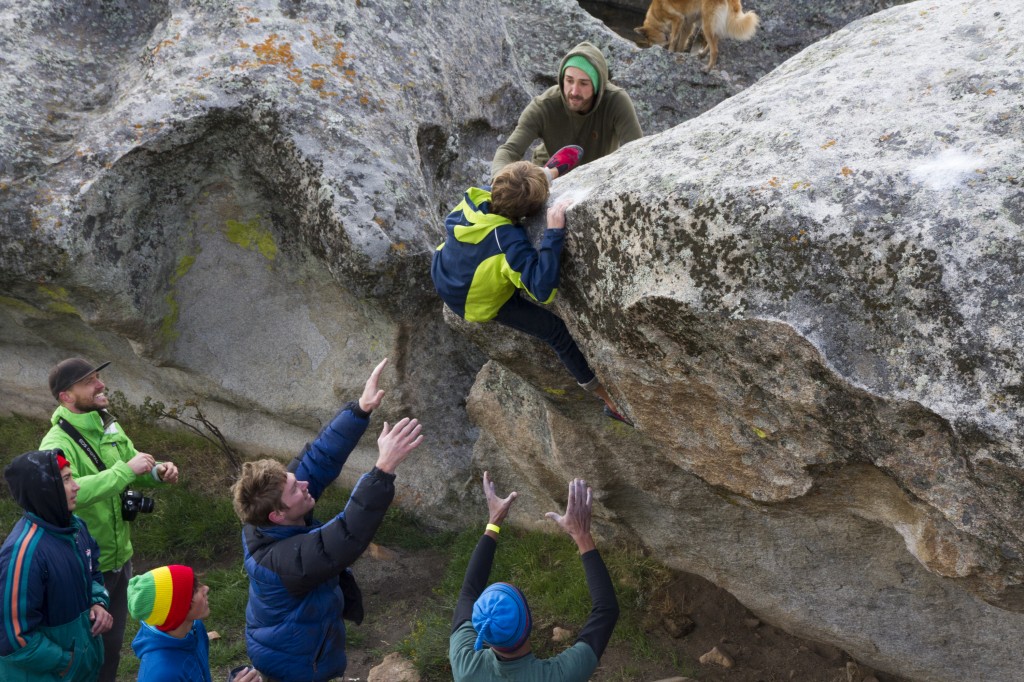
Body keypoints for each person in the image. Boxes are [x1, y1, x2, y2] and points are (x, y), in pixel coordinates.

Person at [231, 358, 423, 682]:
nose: (304, 484)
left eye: (292, 478)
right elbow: (346, 535)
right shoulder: (281, 561)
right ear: (278, 514)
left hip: (300, 645)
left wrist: (360, 409)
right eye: (295, 488)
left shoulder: (268, 513)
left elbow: (319, 459)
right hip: (298, 667)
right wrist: (383, 468)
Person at [431, 160, 630, 423]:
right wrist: (553, 234)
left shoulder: (474, 197)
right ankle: (608, 400)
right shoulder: (508, 243)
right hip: (469, 301)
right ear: (530, 212)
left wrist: (547, 174)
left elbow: (510, 188)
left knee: (501, 270)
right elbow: (542, 290)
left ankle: (543, 175)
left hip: (442, 271)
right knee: (556, 332)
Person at [39, 357, 180, 682]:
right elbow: (63, 492)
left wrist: (156, 472)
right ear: (66, 396)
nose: (101, 385)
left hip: (121, 557)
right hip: (85, 566)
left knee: (112, 644)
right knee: (85, 649)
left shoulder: (107, 424)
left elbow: (130, 462)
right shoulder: (56, 443)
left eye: (99, 377)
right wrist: (123, 472)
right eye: (90, 381)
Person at [449, 473, 619, 680]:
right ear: (529, 622)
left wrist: (494, 523)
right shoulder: (556, 676)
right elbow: (606, 610)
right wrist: (581, 535)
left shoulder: (465, 667)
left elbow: (468, 591)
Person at [0, 449, 113, 681]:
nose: (76, 486)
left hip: (79, 671)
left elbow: (92, 572)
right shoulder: (23, 553)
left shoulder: (76, 528)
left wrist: (98, 602)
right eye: (66, 479)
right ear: (45, 490)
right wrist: (66, 662)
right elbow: (12, 637)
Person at [491, 41, 643, 179]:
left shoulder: (616, 101)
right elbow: (509, 151)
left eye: (584, 83)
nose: (574, 91)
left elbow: (637, 152)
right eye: (569, 81)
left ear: (597, 86)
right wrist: (498, 181)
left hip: (598, 178)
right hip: (547, 177)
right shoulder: (544, 105)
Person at [128, 564, 262, 682]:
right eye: (195, 590)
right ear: (179, 610)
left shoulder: (194, 628)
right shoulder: (161, 675)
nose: (206, 588)